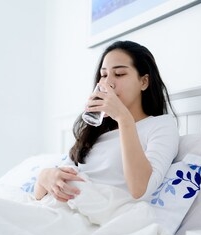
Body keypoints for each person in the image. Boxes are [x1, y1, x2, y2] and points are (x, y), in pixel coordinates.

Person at [34, 40, 179, 202]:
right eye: (103, 75)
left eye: (119, 74)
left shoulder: (161, 126)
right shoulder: (95, 131)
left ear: (144, 82)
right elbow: (43, 194)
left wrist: (124, 119)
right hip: (59, 208)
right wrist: (44, 177)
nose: (108, 83)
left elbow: (141, 190)